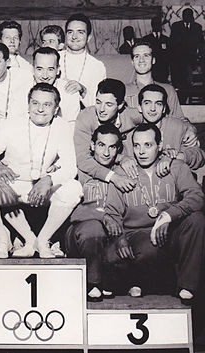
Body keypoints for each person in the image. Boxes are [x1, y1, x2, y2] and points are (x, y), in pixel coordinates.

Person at [0, 83, 83, 259]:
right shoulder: (11, 124)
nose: (40, 109)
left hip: (42, 187)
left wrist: (48, 180)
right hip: (12, 186)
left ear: (56, 108)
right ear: (28, 104)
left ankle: (43, 241)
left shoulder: (61, 126)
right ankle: (2, 239)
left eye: (47, 105)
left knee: (74, 189)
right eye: (35, 103)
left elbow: (70, 166)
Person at [104, 123, 205, 301]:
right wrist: (119, 239)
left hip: (170, 231)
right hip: (138, 235)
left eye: (148, 145)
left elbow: (197, 197)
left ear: (160, 145)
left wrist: (169, 215)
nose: (141, 151)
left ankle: (187, 286)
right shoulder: (123, 172)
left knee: (197, 220)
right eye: (136, 146)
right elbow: (111, 213)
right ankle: (137, 281)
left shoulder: (176, 167)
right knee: (147, 248)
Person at [66, 124, 123, 301]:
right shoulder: (77, 170)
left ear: (118, 149)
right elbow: (71, 211)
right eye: (101, 145)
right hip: (79, 233)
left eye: (112, 147)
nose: (106, 152)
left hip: (111, 235)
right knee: (93, 227)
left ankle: (114, 277)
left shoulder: (122, 172)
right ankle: (94, 282)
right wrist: (102, 216)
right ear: (92, 145)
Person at [74, 78, 141, 192]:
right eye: (98, 102)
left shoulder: (131, 115)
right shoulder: (86, 117)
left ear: (120, 105)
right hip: (95, 169)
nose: (101, 109)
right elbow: (82, 159)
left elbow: (157, 119)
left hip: (122, 167)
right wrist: (114, 175)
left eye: (109, 104)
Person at [123, 84, 205, 172]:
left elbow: (199, 156)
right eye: (147, 103)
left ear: (164, 108)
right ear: (139, 107)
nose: (152, 109)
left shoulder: (179, 126)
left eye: (158, 104)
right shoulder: (133, 133)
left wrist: (175, 157)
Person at [125, 40, 184, 119]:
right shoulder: (124, 91)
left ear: (153, 60)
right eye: (137, 56)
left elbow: (180, 121)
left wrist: (190, 129)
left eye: (146, 55)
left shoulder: (168, 90)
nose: (141, 60)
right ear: (132, 62)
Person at [59, 13, 106, 107]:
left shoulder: (97, 66)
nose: (74, 37)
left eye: (80, 32)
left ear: (88, 38)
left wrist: (83, 90)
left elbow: (99, 104)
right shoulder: (55, 58)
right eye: (70, 32)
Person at [32, 46, 81, 128]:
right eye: (40, 69)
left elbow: (71, 127)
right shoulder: (22, 89)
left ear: (58, 70)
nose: (45, 76)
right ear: (33, 69)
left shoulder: (69, 91)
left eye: (50, 69)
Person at [170, 8, 204, 95]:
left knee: (190, 84)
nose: (188, 17)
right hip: (179, 60)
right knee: (180, 84)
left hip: (192, 60)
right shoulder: (176, 26)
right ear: (182, 16)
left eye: (190, 15)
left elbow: (200, 44)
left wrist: (198, 57)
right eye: (186, 15)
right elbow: (173, 43)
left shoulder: (197, 27)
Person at [143, 17, 170, 83]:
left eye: (158, 24)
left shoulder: (166, 39)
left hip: (163, 70)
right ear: (152, 25)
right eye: (155, 24)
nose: (156, 26)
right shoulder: (146, 39)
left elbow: (169, 54)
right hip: (152, 69)